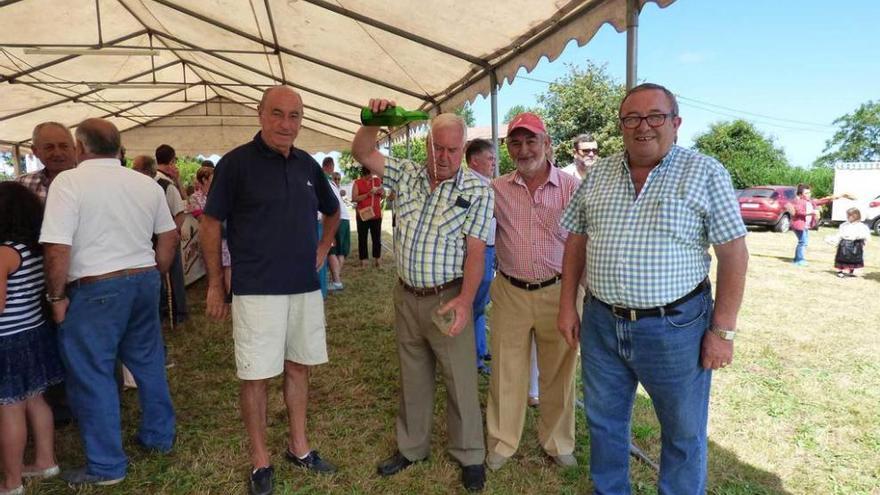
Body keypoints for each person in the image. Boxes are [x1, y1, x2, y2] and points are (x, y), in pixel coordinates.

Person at [558, 83, 749, 494]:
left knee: (683, 434)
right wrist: (566, 307)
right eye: (632, 118)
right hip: (601, 323)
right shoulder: (599, 174)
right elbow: (576, 239)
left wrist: (723, 331)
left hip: (676, 329)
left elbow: (734, 255)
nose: (643, 126)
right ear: (622, 126)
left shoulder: (705, 171)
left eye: (655, 116)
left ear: (675, 123)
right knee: (604, 424)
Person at [202, 86, 340, 495]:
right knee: (256, 374)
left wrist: (322, 247)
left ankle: (299, 447)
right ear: (261, 115)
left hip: (302, 287)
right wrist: (214, 283)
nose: (286, 124)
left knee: (299, 365)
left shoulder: (306, 165)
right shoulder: (235, 164)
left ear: (301, 119)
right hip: (256, 288)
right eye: (277, 114)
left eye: (294, 116)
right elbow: (211, 224)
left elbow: (332, 211)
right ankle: (260, 459)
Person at [352, 100, 493, 493]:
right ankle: (412, 448)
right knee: (413, 375)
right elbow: (362, 152)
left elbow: (477, 253)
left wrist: (465, 301)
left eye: (452, 149)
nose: (443, 157)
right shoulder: (408, 173)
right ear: (428, 144)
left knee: (460, 379)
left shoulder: (477, 191)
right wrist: (375, 119)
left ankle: (469, 454)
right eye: (438, 147)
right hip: (406, 295)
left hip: (448, 297)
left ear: (462, 149)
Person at [40, 118, 178, 486]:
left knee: (92, 373)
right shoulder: (144, 182)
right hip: (142, 279)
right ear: (118, 146)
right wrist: (155, 272)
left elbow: (56, 246)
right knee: (148, 362)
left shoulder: (68, 182)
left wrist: (55, 296)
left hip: (95, 286)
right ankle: (159, 436)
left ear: (80, 148)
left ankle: (105, 466)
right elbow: (170, 235)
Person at [485, 113, 580, 472]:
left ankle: (557, 442)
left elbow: (582, 242)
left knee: (559, 371)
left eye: (531, 141)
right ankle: (502, 443)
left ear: (547, 143)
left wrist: (576, 296)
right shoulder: (496, 189)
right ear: (508, 147)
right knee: (506, 371)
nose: (523, 150)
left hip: (560, 291)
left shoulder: (572, 187)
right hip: (509, 290)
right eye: (515, 142)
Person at [0, 183, 65, 495]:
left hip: (6, 340)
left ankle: (11, 482)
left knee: (9, 408)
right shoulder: (34, 249)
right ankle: (45, 461)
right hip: (33, 333)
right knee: (36, 399)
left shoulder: (4, 253)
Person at [465, 138, 496, 374]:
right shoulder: (469, 186)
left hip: (489, 249)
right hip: (478, 250)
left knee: (480, 304)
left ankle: (480, 349)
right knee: (474, 304)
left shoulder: (487, 184)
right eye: (490, 158)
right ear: (474, 161)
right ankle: (473, 356)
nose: (494, 163)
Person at [154, 144, 188, 324]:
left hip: (151, 238)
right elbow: (181, 212)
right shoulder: (168, 186)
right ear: (171, 161)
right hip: (167, 238)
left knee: (158, 278)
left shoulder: (150, 182)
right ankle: (178, 313)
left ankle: (162, 312)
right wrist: (173, 235)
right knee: (174, 276)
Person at [16, 122, 76, 203]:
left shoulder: (92, 181)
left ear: (74, 148)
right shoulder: (22, 185)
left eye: (64, 146)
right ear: (35, 151)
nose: (58, 153)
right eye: (49, 147)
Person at [788, 184, 843, 266]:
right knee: (803, 242)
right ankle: (799, 260)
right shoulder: (799, 202)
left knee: (803, 242)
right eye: (806, 193)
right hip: (798, 225)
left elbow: (821, 201)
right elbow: (798, 212)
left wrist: (833, 198)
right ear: (800, 194)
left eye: (809, 193)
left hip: (804, 226)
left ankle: (797, 259)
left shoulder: (810, 201)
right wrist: (812, 212)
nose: (809, 194)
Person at [322, 157, 350, 291]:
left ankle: (337, 281)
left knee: (331, 251)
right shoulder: (332, 184)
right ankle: (337, 280)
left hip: (336, 218)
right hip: (345, 218)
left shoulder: (325, 181)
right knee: (340, 252)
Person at [352, 166, 384, 268]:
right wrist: (368, 194)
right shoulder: (357, 183)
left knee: (377, 238)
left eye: (371, 175)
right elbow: (354, 198)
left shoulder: (377, 181)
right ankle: (364, 260)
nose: (371, 177)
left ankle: (377, 259)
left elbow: (383, 194)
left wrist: (380, 191)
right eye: (369, 175)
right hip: (363, 215)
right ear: (365, 174)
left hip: (376, 215)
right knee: (362, 238)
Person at [832, 207, 870, 277]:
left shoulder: (862, 226)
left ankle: (851, 271)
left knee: (854, 258)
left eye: (850, 215)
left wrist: (861, 239)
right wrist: (835, 241)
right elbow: (840, 234)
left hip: (856, 244)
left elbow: (866, 235)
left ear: (855, 216)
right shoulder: (844, 225)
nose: (848, 217)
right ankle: (841, 271)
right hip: (845, 244)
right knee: (842, 257)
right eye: (848, 215)